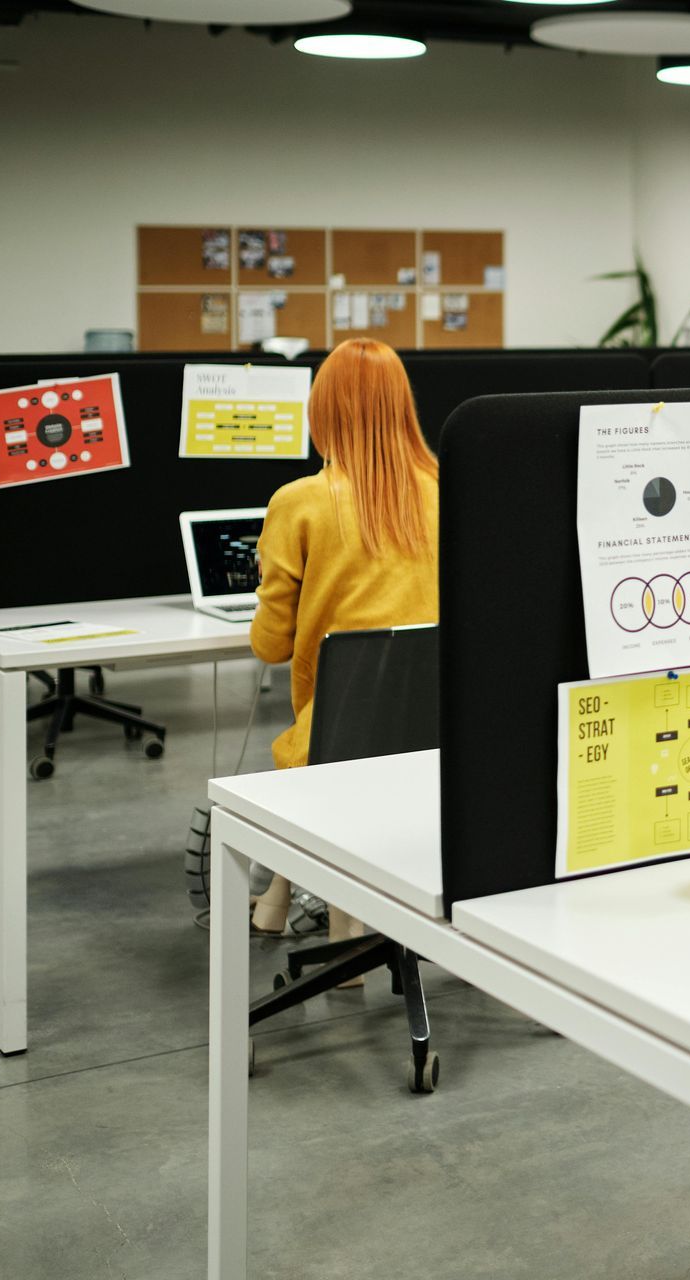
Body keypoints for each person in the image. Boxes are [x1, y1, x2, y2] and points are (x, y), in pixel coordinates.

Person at [247, 338, 440, 935]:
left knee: (323, 749)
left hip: (336, 741)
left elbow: (270, 646)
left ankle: (339, 941)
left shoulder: (299, 503)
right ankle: (283, 905)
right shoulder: (448, 490)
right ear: (402, 408)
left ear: (322, 412)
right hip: (440, 733)